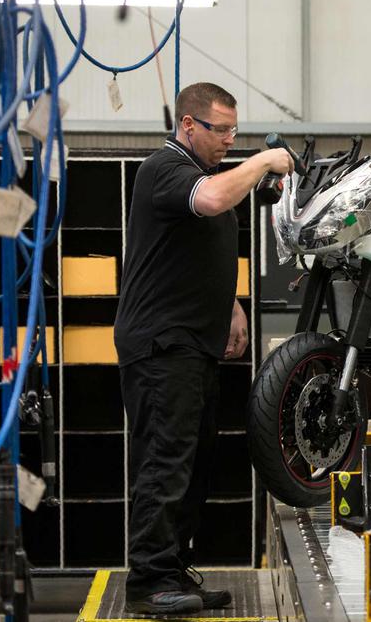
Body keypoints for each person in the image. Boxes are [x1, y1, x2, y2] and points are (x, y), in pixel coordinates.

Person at [113, 82, 293, 614]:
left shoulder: (202, 175)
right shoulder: (164, 168)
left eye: (236, 131)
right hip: (162, 344)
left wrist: (231, 305)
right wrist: (264, 160)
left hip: (194, 341)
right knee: (165, 461)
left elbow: (195, 249)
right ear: (188, 126)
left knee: (191, 462)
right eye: (221, 131)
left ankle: (170, 570)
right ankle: (148, 581)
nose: (229, 141)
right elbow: (213, 200)